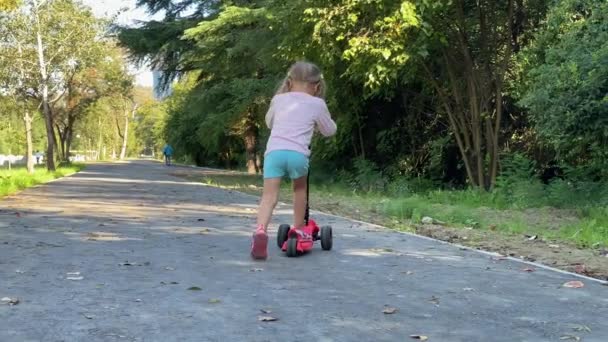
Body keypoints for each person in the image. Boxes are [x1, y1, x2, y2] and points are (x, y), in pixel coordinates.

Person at [251, 61, 337, 260]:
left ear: (289, 82)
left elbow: (269, 122)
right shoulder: (318, 103)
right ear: (316, 86)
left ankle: (261, 230)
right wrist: (316, 124)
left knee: (269, 197)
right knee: (299, 190)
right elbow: (329, 130)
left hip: (274, 153)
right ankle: (298, 230)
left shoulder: (279, 99)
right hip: (297, 155)